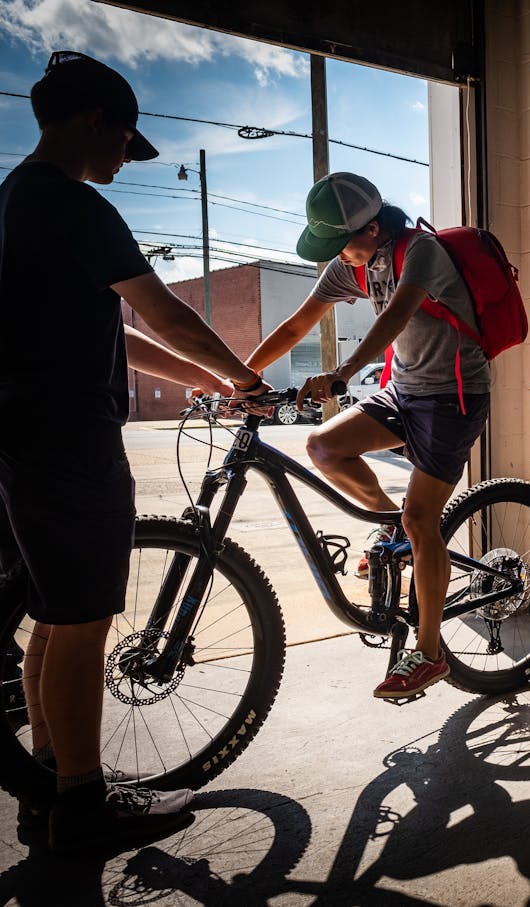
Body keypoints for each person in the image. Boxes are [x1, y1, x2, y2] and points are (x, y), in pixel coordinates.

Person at [0, 51, 270, 855]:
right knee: (83, 621)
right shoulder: (75, 204)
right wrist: (241, 370)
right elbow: (164, 316)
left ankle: (50, 788)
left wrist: (215, 382)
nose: (127, 153)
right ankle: (87, 806)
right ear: (94, 122)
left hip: (20, 443)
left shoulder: (15, 200)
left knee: (53, 617)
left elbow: (120, 334)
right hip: (70, 444)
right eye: (125, 138)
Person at [245, 172, 491, 700]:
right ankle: (395, 532)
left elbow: (396, 316)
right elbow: (294, 327)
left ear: (375, 230)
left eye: (342, 246)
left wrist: (343, 371)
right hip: (404, 391)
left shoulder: (422, 251)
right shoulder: (348, 267)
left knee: (423, 517)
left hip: (454, 395)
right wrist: (242, 377)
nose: (338, 258)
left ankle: (429, 654)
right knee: (323, 447)